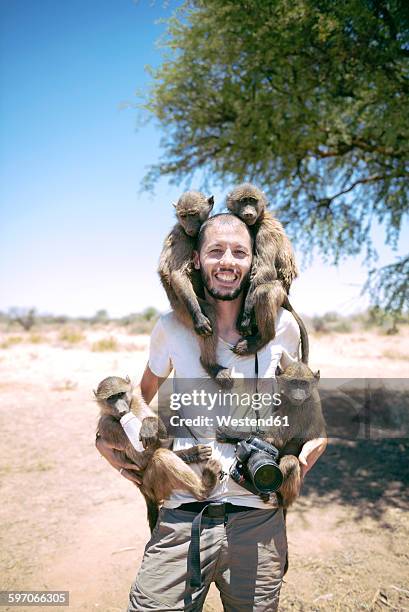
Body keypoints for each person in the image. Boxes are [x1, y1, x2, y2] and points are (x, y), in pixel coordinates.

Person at [96, 213, 327, 611]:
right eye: (216, 250)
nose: (227, 261)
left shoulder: (284, 325)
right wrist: (110, 433)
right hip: (183, 515)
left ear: (253, 261)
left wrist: (315, 439)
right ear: (198, 260)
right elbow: (139, 397)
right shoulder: (170, 327)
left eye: (239, 252)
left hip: (258, 515)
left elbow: (304, 401)